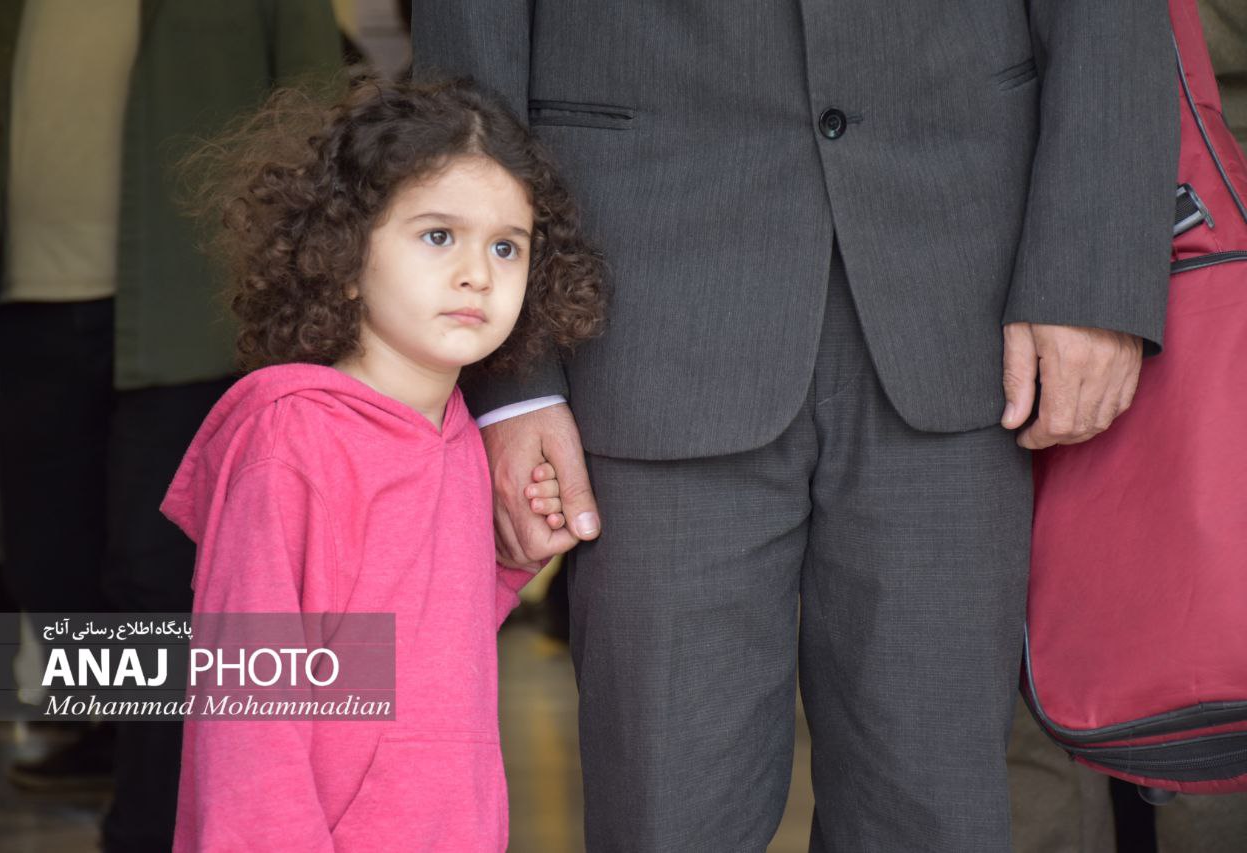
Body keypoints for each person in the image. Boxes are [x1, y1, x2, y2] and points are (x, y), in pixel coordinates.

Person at [413, 2, 1180, 850]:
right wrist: (512, 377)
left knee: (932, 817)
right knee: (670, 816)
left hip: (963, 293)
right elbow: (469, 39)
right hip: (635, 297)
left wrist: (1088, 269)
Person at [161, 77, 604, 851]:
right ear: (343, 254)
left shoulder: (458, 435)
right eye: (438, 236)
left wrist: (503, 562)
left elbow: (410, 653)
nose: (478, 273)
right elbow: (248, 715)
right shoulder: (291, 442)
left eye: (506, 246)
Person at [0, 2, 342, 848]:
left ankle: (147, 825)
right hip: (23, 302)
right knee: (45, 569)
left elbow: (317, 101)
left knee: (158, 578)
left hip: (191, 316)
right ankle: (126, 742)